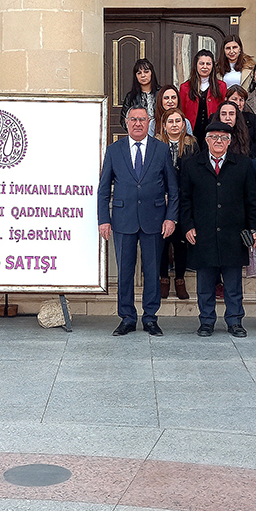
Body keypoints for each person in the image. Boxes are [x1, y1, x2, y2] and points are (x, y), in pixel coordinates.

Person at [98, 106, 179, 337]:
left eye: (142, 119)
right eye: (133, 119)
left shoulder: (161, 150)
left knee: (152, 270)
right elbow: (104, 189)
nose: (137, 123)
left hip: (154, 220)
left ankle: (151, 318)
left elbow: (173, 190)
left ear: (149, 122)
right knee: (125, 271)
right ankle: (127, 317)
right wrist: (104, 219)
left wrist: (171, 217)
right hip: (123, 220)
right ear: (126, 122)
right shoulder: (114, 150)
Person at [177, 120, 256, 337]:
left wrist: (254, 228)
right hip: (202, 234)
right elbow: (184, 200)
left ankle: (234, 321)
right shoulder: (191, 164)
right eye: (214, 137)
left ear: (229, 141)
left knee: (233, 284)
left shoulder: (243, 164)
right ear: (206, 140)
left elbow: (252, 200)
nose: (218, 141)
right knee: (205, 284)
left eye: (223, 138)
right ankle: (206, 321)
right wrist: (187, 226)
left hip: (233, 234)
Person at [155, 107, 197, 300]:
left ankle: (179, 279)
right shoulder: (156, 144)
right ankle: (164, 278)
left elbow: (196, 172)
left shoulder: (191, 144)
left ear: (183, 124)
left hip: (183, 198)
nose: (174, 125)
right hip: (160, 199)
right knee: (163, 241)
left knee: (180, 242)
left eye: (177, 121)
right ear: (164, 125)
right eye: (170, 121)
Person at [179, 49, 224, 134]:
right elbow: (182, 112)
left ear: (212, 66)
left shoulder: (221, 86)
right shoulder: (185, 87)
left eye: (208, 64)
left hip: (213, 131)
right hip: (191, 132)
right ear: (196, 65)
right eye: (201, 63)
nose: (205, 67)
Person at [120, 58, 160, 131]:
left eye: (146, 72)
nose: (143, 75)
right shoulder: (131, 97)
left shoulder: (161, 93)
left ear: (152, 73)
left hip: (160, 135)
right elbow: (124, 120)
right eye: (139, 73)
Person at [224, 86, 256, 158]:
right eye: (234, 99)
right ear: (226, 100)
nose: (238, 103)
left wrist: (248, 157)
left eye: (241, 100)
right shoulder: (218, 117)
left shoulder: (251, 118)